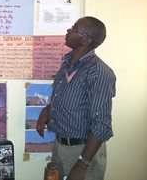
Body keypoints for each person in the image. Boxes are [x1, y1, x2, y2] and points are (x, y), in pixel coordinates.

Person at [37, 16, 116, 180]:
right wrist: (47, 111)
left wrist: (82, 164)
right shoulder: (67, 63)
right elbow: (65, 97)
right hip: (60, 146)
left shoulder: (99, 73)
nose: (68, 31)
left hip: (83, 151)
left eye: (74, 28)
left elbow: (101, 124)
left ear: (85, 40)